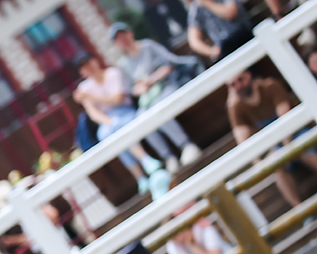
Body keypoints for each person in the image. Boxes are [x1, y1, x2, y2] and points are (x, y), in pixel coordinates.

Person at [110, 22, 204, 169]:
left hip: (166, 85)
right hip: (147, 98)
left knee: (158, 109)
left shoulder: (148, 46)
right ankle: (168, 156)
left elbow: (169, 64)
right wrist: (140, 88)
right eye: (118, 39)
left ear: (130, 33)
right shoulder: (123, 64)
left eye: (123, 35)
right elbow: (131, 89)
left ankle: (186, 145)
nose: (123, 40)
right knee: (141, 119)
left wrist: (151, 80)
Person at [73, 54, 168, 193]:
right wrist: (109, 121)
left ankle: (143, 171)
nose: (88, 68)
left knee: (117, 128)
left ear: (95, 61)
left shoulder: (112, 73)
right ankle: (145, 166)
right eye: (84, 67)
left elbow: (117, 99)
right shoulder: (84, 87)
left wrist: (91, 96)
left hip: (125, 112)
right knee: (108, 133)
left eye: (89, 63)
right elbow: (93, 114)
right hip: (106, 121)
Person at [227, 70, 317, 208]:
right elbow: (242, 138)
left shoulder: (270, 85)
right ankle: (301, 210)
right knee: (275, 165)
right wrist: (259, 163)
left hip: (295, 132)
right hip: (276, 145)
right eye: (233, 84)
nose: (238, 86)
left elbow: (285, 117)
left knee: (302, 149)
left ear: (249, 76)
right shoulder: (236, 107)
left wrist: (288, 147)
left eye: (240, 79)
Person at [187, 0, 256, 62]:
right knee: (224, 53)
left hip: (243, 35)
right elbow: (194, 41)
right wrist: (212, 51)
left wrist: (207, 3)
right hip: (223, 48)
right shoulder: (196, 9)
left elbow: (230, 13)